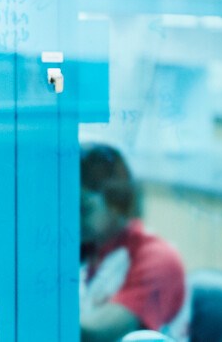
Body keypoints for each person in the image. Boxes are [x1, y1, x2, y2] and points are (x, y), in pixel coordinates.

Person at [79, 143, 189, 342]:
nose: (72, 218)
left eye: (83, 208)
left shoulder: (158, 258)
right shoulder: (88, 249)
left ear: (116, 201)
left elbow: (96, 333)